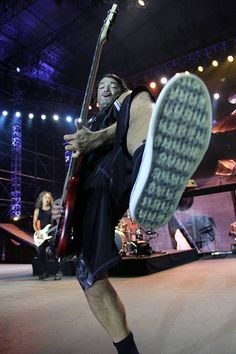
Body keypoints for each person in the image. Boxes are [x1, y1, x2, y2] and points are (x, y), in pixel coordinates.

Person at [53, 73, 212, 353]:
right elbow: (73, 180)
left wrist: (100, 137)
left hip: (119, 165)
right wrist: (62, 204)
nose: (106, 89)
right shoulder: (86, 126)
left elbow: (129, 108)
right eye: (101, 87)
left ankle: (147, 167)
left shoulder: (120, 103)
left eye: (112, 86)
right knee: (89, 277)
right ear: (94, 96)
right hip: (91, 197)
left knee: (136, 99)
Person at [33, 191, 62, 280]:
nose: (47, 199)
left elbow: (57, 222)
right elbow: (34, 224)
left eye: (49, 197)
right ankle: (46, 272)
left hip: (51, 231)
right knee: (41, 252)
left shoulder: (53, 209)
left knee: (53, 250)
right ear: (42, 198)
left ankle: (58, 272)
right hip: (42, 233)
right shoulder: (38, 210)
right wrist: (38, 232)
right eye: (45, 197)